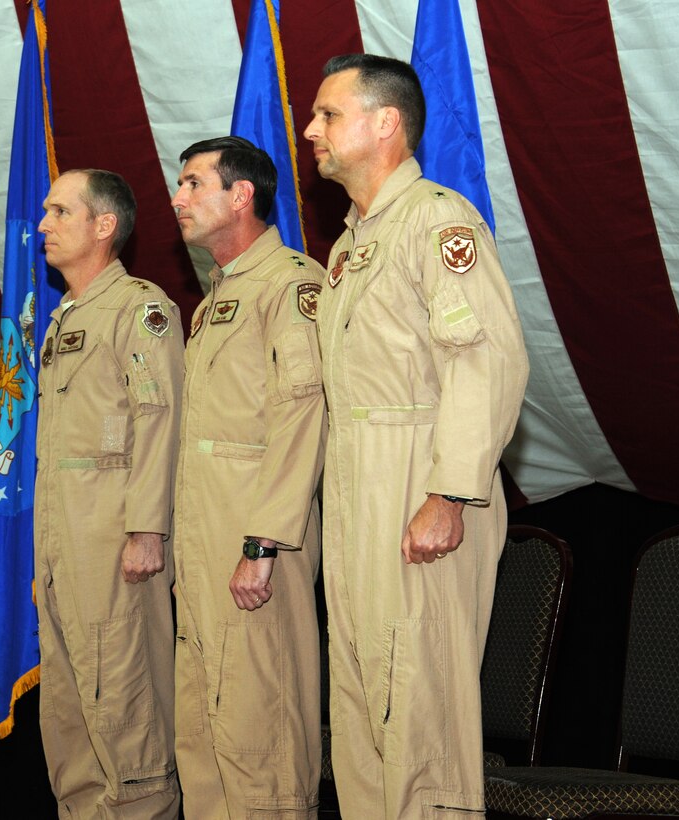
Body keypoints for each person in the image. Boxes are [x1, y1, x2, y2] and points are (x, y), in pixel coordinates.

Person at [303, 55, 529, 818]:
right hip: (357, 479)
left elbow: (485, 361)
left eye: (329, 114)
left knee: (416, 699)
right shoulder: (346, 249)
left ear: (385, 123)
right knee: (364, 704)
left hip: (417, 476)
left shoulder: (438, 220)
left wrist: (449, 492)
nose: (311, 130)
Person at [169, 136, 327, 819]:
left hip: (257, 543)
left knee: (258, 726)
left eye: (193, 183)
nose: (177, 199)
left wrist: (262, 544)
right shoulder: (214, 301)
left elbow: (301, 416)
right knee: (204, 732)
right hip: (204, 541)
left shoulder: (290, 284)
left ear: (240, 195)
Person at [34, 169, 183, 818]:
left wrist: (145, 529)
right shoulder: (65, 316)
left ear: (103, 226)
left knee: (123, 703)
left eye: (59, 211)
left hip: (114, 538)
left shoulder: (138, 309)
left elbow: (159, 419)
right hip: (63, 537)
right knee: (69, 712)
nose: (42, 224)